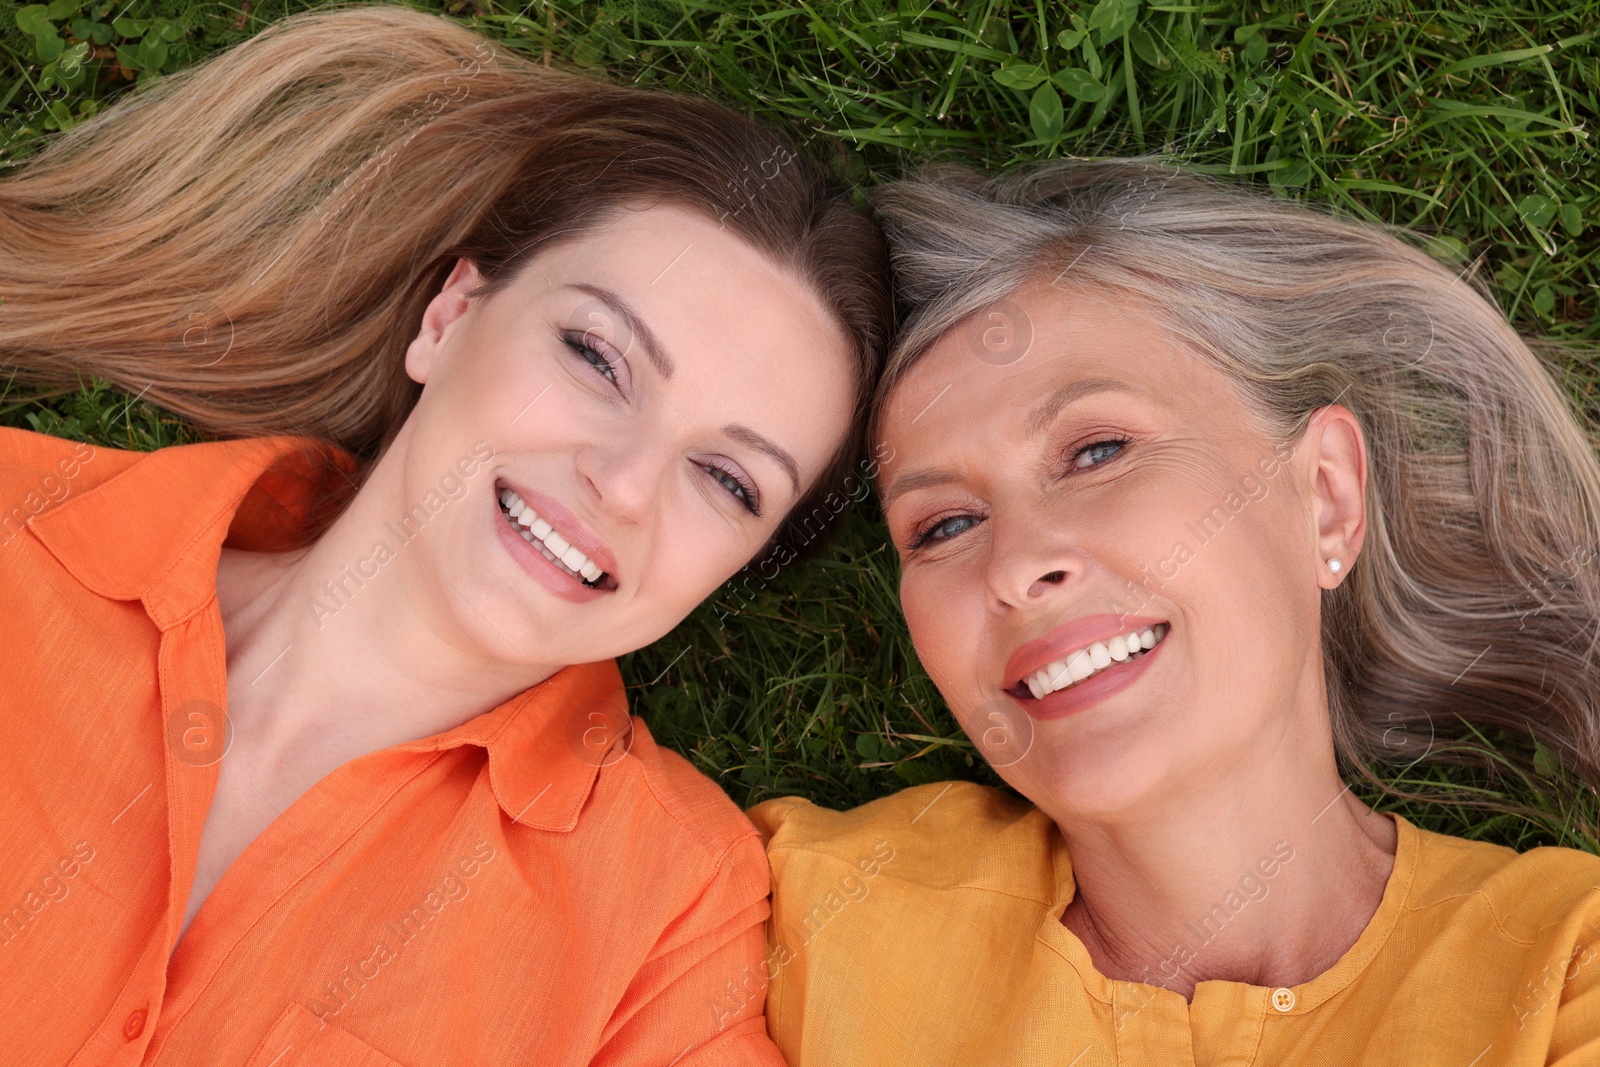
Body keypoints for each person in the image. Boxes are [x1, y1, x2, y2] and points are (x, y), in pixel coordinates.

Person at [0, 5, 890, 1065]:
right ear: (451, 316)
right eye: (598, 357)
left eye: (726, 478)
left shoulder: (666, 913)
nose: (622, 482)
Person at [750, 159, 1600, 1065]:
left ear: (1325, 496)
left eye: (1097, 450)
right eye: (945, 524)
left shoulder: (1558, 969)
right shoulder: (799, 914)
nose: (1019, 564)